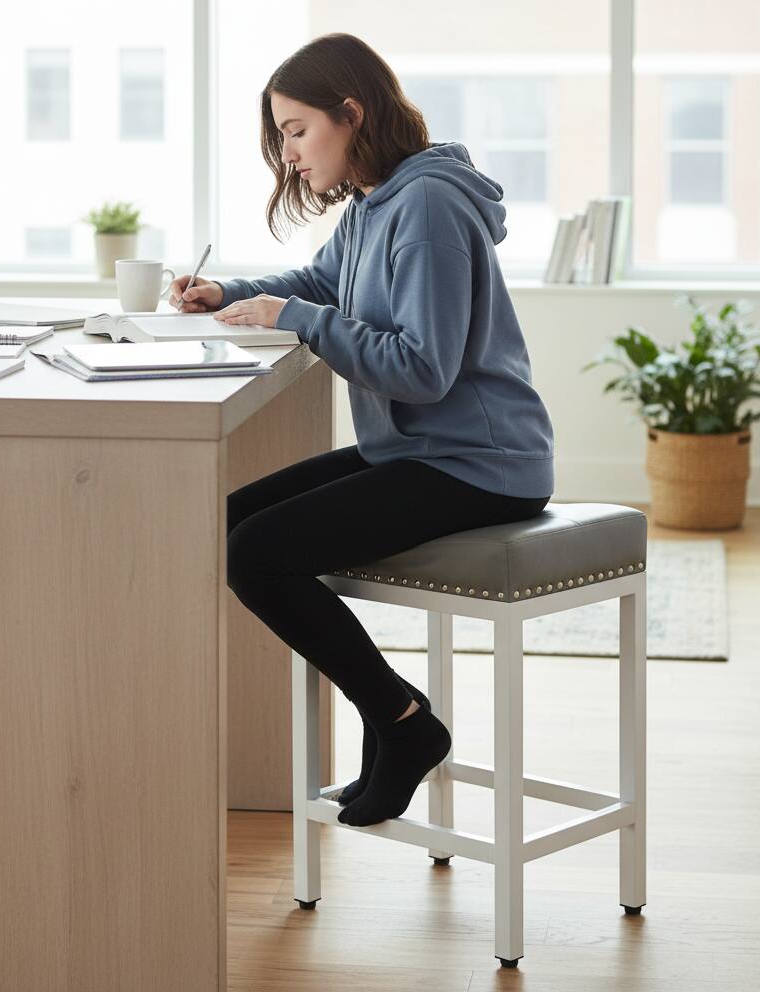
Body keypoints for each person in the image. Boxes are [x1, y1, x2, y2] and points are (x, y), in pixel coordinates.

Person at [168, 33, 555, 828]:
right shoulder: (377, 201)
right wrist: (229, 293)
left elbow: (422, 370)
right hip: (420, 451)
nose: (288, 155)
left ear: (351, 114)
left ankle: (401, 723)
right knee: (227, 523)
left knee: (256, 552)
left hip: (482, 464)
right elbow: (319, 282)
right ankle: (395, 716)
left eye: (297, 130)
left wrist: (296, 319)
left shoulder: (429, 206)